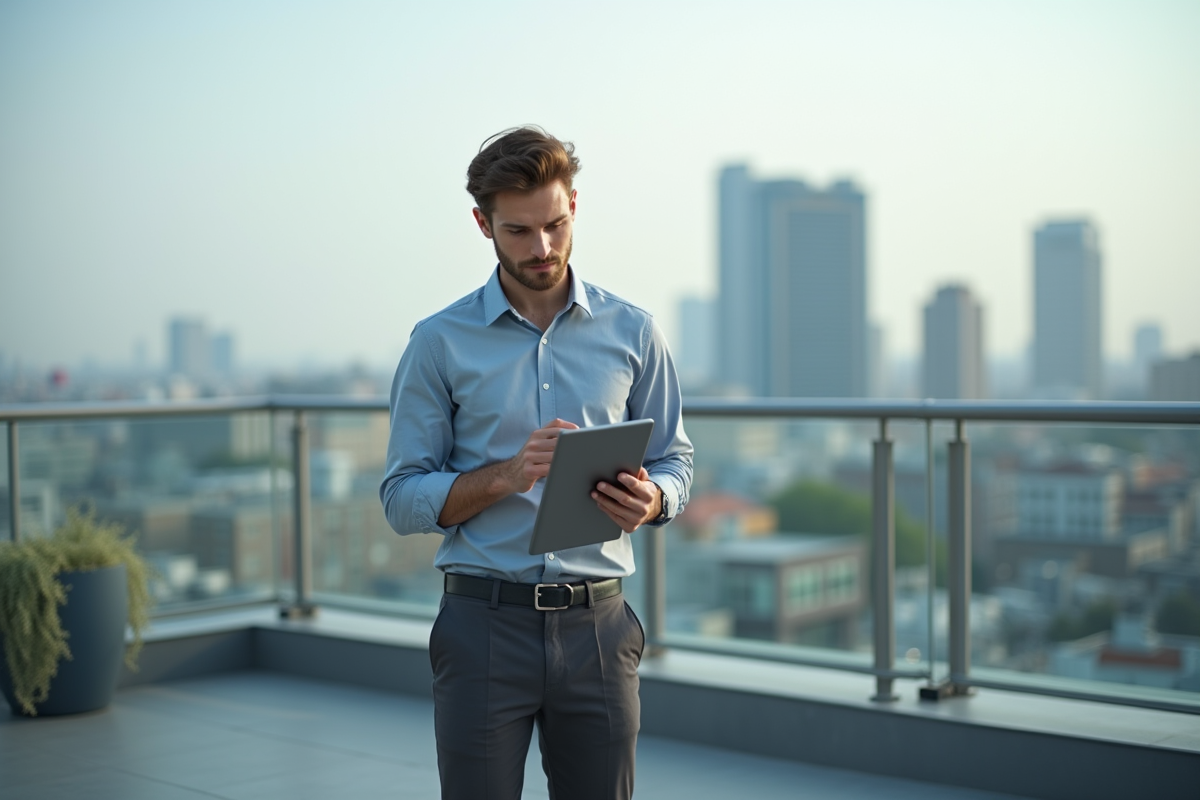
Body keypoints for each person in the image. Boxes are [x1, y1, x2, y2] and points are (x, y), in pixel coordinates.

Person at [379, 126, 693, 800]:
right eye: (518, 231)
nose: (542, 248)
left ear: (574, 206)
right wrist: (507, 476)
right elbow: (401, 497)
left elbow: (676, 460)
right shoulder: (438, 342)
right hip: (482, 627)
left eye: (553, 224)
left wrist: (656, 499)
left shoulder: (634, 331)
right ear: (482, 225)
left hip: (601, 631)